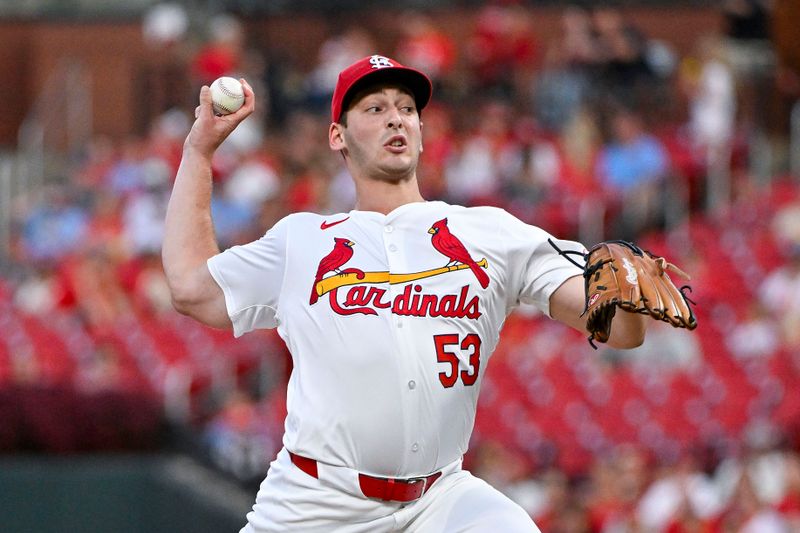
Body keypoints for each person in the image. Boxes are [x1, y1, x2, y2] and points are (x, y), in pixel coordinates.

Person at [162, 54, 648, 532]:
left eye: (407, 108)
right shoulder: (301, 241)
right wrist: (199, 153)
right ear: (338, 136)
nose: (396, 116)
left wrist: (627, 287)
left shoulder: (488, 233)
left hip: (439, 500)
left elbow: (621, 331)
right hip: (315, 504)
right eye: (375, 109)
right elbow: (190, 287)